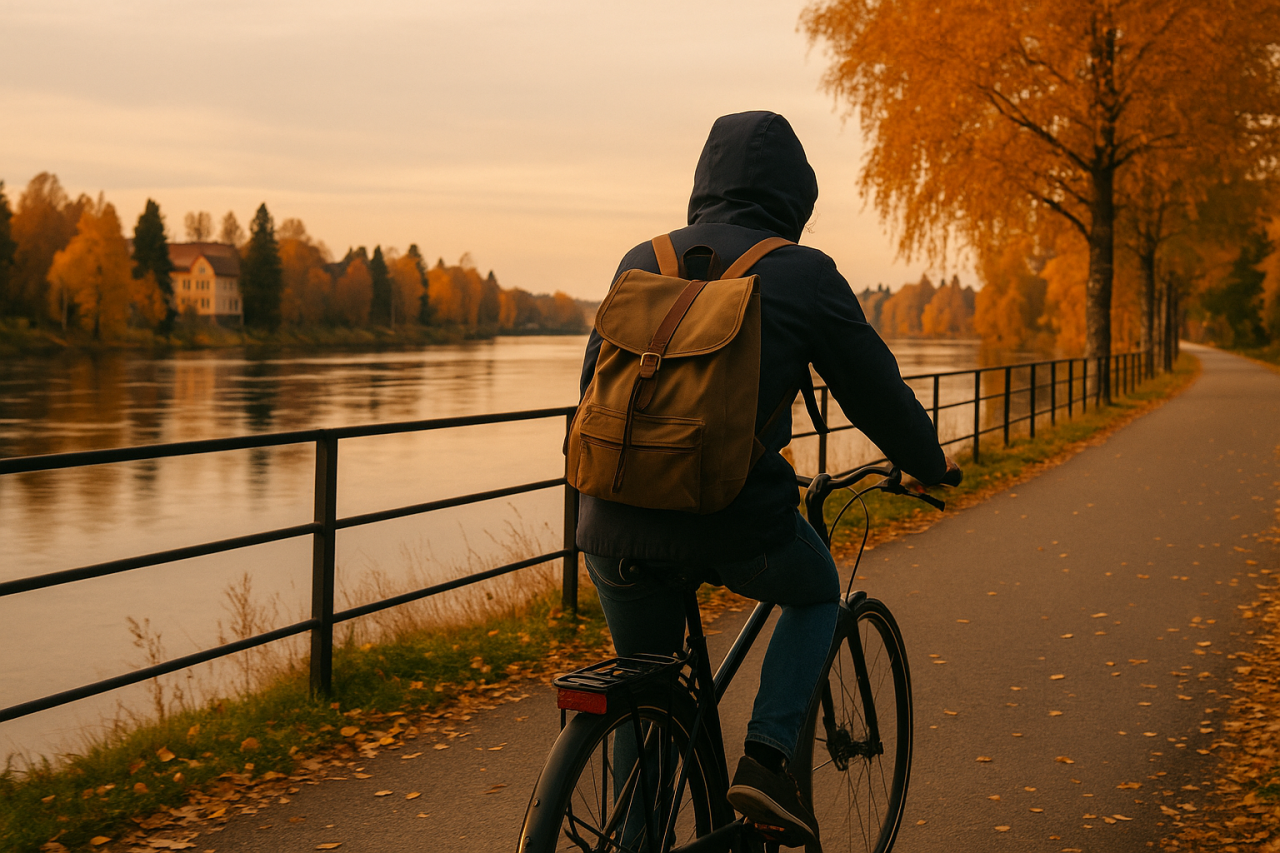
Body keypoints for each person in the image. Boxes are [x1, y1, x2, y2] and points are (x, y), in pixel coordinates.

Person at [575, 110, 958, 848]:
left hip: (610, 519)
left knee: (645, 691)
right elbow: (875, 391)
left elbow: (594, 385)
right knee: (817, 589)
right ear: (795, 194)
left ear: (704, 180)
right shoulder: (802, 272)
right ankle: (768, 759)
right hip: (730, 519)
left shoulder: (640, 257)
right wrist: (930, 461)